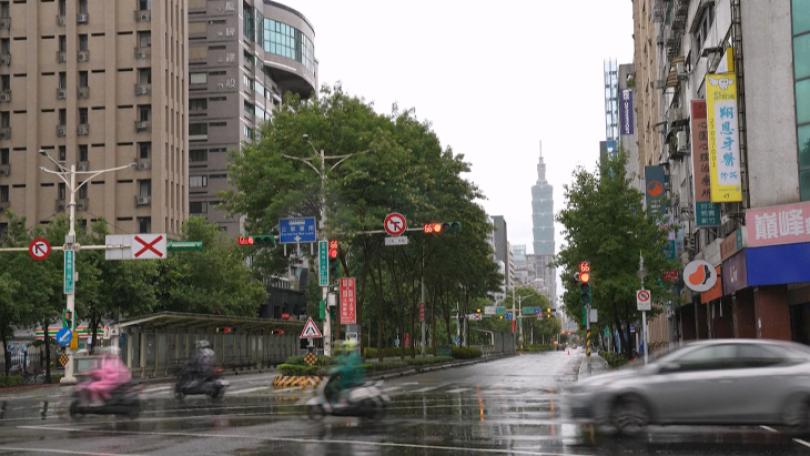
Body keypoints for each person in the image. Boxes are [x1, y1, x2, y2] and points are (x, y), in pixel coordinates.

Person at [327, 340, 365, 406]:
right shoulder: (348, 355)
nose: (343, 348)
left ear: (349, 347)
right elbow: (340, 359)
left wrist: (336, 370)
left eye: (344, 346)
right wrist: (332, 361)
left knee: (332, 386)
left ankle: (335, 403)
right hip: (349, 379)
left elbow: (348, 368)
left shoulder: (353, 356)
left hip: (352, 380)